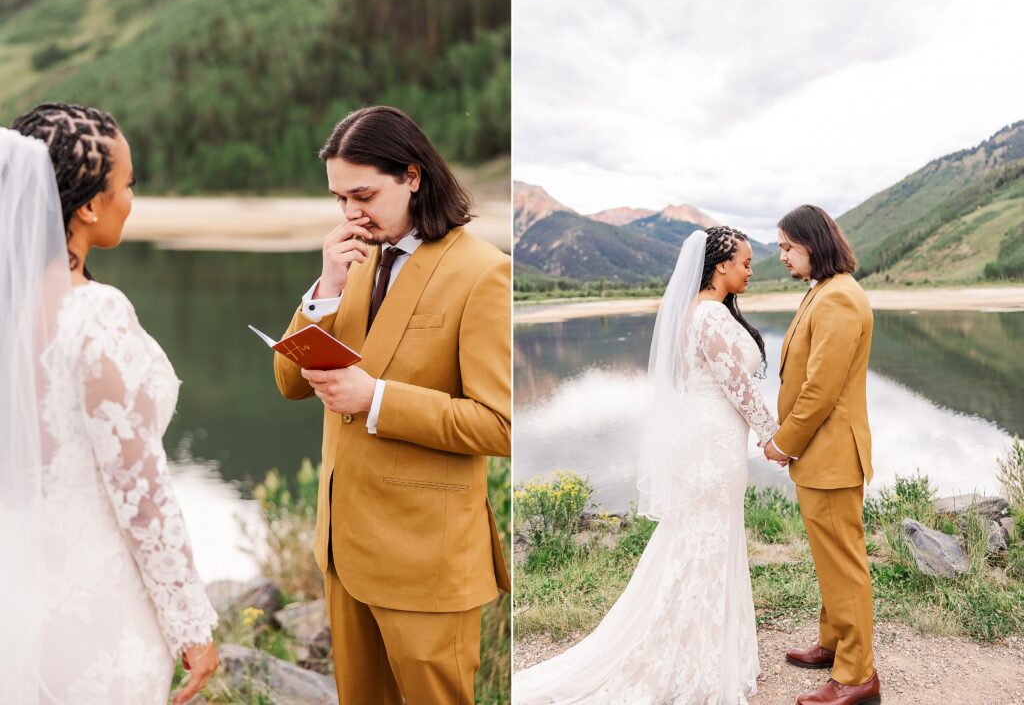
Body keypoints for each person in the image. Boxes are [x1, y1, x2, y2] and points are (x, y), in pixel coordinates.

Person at [272, 106, 511, 705]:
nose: (351, 213)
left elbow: (501, 424)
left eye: (363, 195)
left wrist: (376, 399)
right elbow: (290, 384)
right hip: (343, 551)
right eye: (339, 199)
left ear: (412, 176)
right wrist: (325, 285)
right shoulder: (353, 260)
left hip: (426, 562)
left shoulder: (483, 274)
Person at [0, 104, 219, 705]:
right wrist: (191, 625)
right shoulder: (93, 316)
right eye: (128, 184)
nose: (132, 198)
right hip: (94, 604)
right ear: (90, 205)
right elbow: (141, 491)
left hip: (12, 595)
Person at [513, 226, 780, 704]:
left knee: (700, 538)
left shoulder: (694, 313)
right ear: (720, 266)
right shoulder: (712, 318)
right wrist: (773, 436)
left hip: (704, 436)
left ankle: (708, 647)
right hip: (712, 444)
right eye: (745, 262)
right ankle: (691, 658)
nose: (749, 270)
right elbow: (738, 387)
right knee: (706, 539)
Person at [764, 205, 880, 705]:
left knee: (844, 563)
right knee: (829, 558)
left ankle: (857, 676)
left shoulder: (839, 299)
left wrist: (782, 441)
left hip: (830, 455)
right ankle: (834, 644)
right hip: (821, 455)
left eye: (788, 247)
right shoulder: (825, 291)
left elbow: (820, 390)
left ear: (814, 242)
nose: (783, 256)